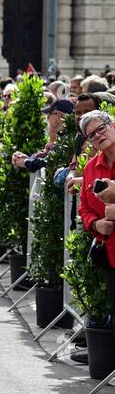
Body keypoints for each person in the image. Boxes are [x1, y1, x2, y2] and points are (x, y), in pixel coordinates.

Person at [77, 111, 115, 339]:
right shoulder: (90, 168)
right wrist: (96, 224)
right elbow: (84, 208)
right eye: (91, 136)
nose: (98, 136)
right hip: (111, 255)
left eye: (101, 128)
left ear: (112, 124)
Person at [13, 100, 73, 171]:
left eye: (49, 114)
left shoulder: (68, 138)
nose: (47, 118)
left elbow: (48, 162)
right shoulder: (63, 137)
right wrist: (29, 158)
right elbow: (45, 158)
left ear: (58, 116)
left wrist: (25, 162)